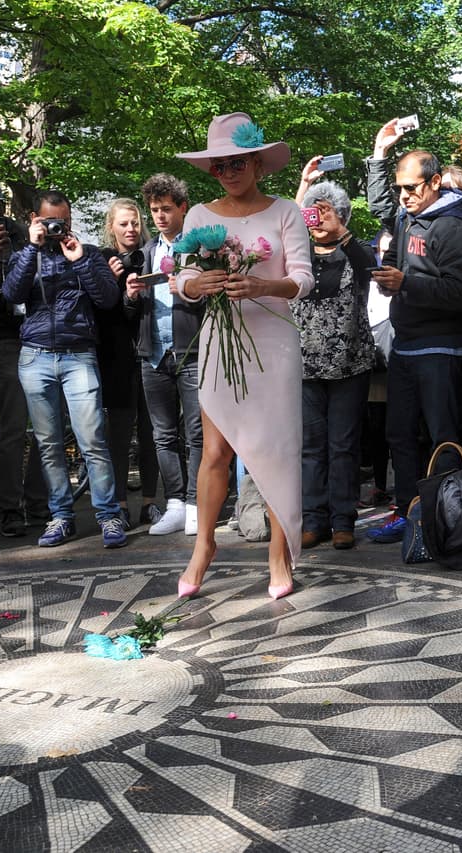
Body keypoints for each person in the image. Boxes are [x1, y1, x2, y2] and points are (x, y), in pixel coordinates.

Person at [172, 112, 313, 600]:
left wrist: (261, 284)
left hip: (273, 344)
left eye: (236, 163)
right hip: (220, 341)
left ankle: (279, 551)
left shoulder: (285, 212)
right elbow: (181, 278)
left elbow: (304, 278)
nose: (228, 173)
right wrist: (197, 283)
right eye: (219, 166)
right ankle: (203, 547)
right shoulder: (198, 216)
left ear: (256, 161)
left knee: (274, 451)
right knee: (215, 451)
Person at [362, 120, 462, 545]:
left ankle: (451, 518)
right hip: (406, 347)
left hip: (443, 349)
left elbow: (461, 293)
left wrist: (405, 283)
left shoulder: (452, 227)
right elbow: (379, 204)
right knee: (400, 435)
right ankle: (409, 511)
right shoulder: (407, 217)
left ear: (434, 182)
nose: (403, 196)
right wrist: (379, 152)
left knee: (443, 437)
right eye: (399, 189)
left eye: (411, 188)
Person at [0, 190, 126, 549]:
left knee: (93, 441)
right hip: (35, 356)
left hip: (78, 355)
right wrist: (33, 247)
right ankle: (61, 516)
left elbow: (107, 298)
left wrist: (81, 260)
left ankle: (108, 516)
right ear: (34, 220)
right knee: (48, 444)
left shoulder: (88, 254)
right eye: (49, 221)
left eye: (63, 222)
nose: (58, 228)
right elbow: (11, 294)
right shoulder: (26, 254)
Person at [292, 176, 375, 550]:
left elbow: (369, 266)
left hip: (349, 364)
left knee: (343, 445)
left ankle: (343, 521)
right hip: (304, 365)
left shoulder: (353, 251)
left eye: (327, 213)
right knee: (311, 447)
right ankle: (314, 519)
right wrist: (301, 197)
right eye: (313, 213)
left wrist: (340, 231)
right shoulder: (297, 255)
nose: (318, 220)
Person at [0, 178, 49, 537]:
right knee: (13, 427)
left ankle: (38, 501)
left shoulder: (24, 232)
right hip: (8, 339)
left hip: (39, 332)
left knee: (46, 426)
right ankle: (9, 508)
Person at [127, 172, 204, 536]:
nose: (159, 216)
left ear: (182, 208)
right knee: (162, 435)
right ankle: (174, 502)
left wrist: (190, 288)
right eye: (154, 210)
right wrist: (129, 295)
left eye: (167, 209)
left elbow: (214, 301)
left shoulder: (200, 248)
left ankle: (196, 504)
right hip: (153, 353)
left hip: (190, 351)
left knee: (197, 433)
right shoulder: (144, 254)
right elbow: (128, 314)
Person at [98, 197, 160, 530]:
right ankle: (119, 504)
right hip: (117, 358)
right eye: (123, 223)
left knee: (154, 433)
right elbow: (100, 310)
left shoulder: (153, 255)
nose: (131, 229)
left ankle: (151, 502)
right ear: (112, 227)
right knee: (118, 436)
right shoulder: (101, 259)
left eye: (135, 222)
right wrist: (110, 282)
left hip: (152, 353)